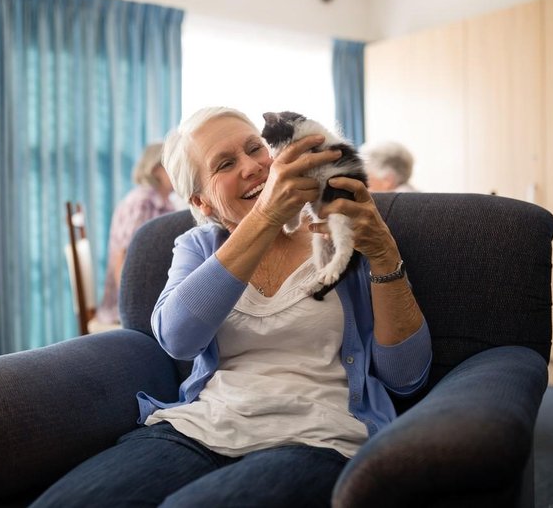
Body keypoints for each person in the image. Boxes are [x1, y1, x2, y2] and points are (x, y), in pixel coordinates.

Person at [33, 107, 431, 507]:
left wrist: (383, 254)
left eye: (255, 148)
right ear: (201, 202)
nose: (252, 167)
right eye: (225, 163)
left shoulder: (341, 231)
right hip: (198, 428)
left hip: (315, 436)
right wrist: (266, 217)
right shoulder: (198, 247)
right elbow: (177, 338)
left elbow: (406, 377)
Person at [96, 143, 178, 324]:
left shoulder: (167, 204)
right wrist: (130, 307)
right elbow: (124, 256)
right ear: (156, 169)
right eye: (173, 164)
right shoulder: (141, 203)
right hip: (131, 304)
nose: (180, 170)